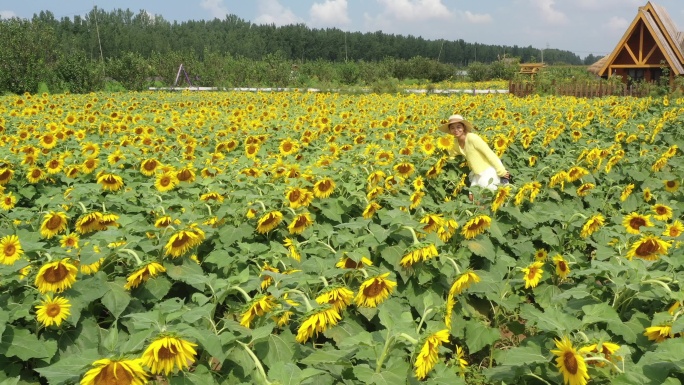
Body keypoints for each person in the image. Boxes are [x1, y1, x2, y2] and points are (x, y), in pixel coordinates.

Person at [439, 114, 510, 198]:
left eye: (458, 127)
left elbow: (489, 154)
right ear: (450, 130)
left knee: (484, 200)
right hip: (476, 173)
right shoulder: (455, 143)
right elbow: (451, 155)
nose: (456, 130)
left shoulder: (472, 138)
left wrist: (501, 171)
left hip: (488, 170)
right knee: (473, 198)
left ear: (464, 128)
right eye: (452, 128)